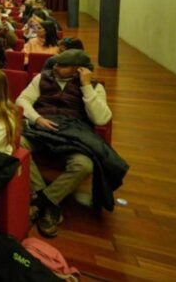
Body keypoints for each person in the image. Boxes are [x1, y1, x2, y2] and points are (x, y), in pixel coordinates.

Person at [17, 50, 121, 238]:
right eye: (55, 64)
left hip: (73, 134)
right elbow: (22, 100)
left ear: (78, 69)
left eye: (61, 65)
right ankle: (48, 201)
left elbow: (101, 118)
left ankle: (42, 202)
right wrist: (37, 118)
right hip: (42, 129)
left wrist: (86, 86)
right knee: (16, 146)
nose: (54, 67)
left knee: (84, 165)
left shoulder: (94, 87)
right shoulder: (42, 78)